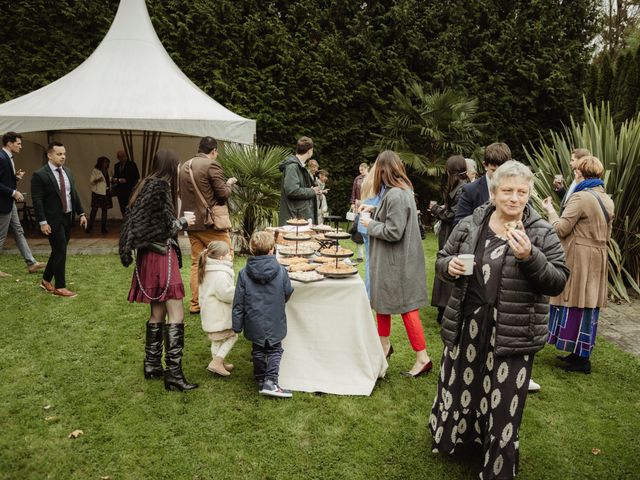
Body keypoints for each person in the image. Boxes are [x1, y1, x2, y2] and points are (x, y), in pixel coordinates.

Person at [429, 160, 569, 480]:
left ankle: (497, 468)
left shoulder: (539, 231)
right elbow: (441, 259)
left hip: (513, 331)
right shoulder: (471, 224)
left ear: (530, 193)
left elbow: (558, 280)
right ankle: (462, 441)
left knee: (504, 401)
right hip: (470, 325)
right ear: (493, 192)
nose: (515, 198)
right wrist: (449, 266)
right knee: (465, 386)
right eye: (507, 191)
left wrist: (529, 257)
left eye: (522, 192)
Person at [119, 149, 197, 392]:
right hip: (162, 255)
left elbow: (141, 224)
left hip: (149, 257)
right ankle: (173, 375)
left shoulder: (144, 184)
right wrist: (184, 221)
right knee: (177, 313)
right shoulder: (161, 187)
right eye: (177, 164)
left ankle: (152, 364)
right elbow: (164, 228)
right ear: (169, 165)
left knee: (157, 311)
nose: (178, 168)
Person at [359, 150, 431, 377]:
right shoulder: (398, 191)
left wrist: (370, 224)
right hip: (394, 264)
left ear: (382, 170)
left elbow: (394, 231)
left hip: (397, 266)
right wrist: (374, 209)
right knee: (381, 304)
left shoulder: (396, 195)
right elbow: (392, 214)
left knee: (408, 310)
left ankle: (423, 358)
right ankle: (384, 347)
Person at [542, 156, 613, 374]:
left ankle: (581, 360)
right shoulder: (606, 198)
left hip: (579, 255)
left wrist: (550, 211)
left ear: (580, 173)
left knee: (574, 299)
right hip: (599, 255)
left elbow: (561, 228)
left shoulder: (581, 197)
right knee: (586, 303)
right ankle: (578, 353)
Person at [232, 231, 294, 397]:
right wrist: (281, 302)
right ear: (272, 249)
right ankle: (271, 381)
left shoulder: (244, 273)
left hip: (253, 320)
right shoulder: (281, 271)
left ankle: (260, 378)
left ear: (252, 250)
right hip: (275, 318)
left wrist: (237, 325)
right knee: (275, 349)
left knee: (258, 349)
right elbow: (288, 291)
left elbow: (238, 301)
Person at [179, 136, 237, 315]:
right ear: (213, 151)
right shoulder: (211, 165)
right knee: (226, 256)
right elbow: (222, 195)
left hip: (191, 222)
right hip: (211, 224)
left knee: (197, 263)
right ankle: (224, 297)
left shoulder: (185, 166)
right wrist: (229, 184)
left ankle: (196, 304)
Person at [31, 141, 87, 297]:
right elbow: (37, 201)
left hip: (67, 218)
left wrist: (81, 213)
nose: (63, 157)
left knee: (58, 250)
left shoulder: (68, 172)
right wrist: (42, 222)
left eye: (64, 154)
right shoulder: (40, 175)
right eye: (59, 154)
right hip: (52, 220)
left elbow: (73, 194)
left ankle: (45, 280)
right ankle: (60, 287)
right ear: (49, 155)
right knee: (61, 250)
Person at [430, 155, 469, 324]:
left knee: (450, 267)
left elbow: (454, 215)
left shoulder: (463, 189)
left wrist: (436, 209)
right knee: (445, 265)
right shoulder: (459, 187)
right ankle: (442, 307)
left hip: (454, 234)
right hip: (449, 233)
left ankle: (446, 308)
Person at [0, 131, 45, 277]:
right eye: (18, 143)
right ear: (9, 143)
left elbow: (5, 180)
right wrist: (14, 192)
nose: (21, 146)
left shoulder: (7, 157)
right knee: (1, 236)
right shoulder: (1, 158)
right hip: (3, 203)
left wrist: (16, 178)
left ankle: (31, 263)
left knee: (19, 231)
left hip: (8, 202)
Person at [198, 240, 237, 377]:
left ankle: (218, 363)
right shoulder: (220, 273)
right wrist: (238, 292)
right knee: (233, 336)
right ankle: (217, 361)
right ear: (221, 258)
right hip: (219, 314)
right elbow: (225, 293)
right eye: (228, 254)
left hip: (210, 313)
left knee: (217, 340)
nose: (231, 255)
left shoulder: (208, 268)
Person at [453, 142, 511, 226]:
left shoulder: (517, 189)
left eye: (502, 171)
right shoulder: (470, 190)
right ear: (485, 165)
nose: (498, 175)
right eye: (494, 170)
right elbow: (459, 224)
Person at [278, 136, 320, 225]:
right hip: (294, 220)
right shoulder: (292, 167)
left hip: (299, 218)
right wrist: (312, 191)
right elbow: (292, 191)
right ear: (309, 151)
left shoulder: (299, 166)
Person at [357, 161, 381, 296]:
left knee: (368, 260)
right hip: (370, 223)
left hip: (363, 223)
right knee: (373, 261)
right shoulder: (379, 183)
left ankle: (369, 291)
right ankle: (370, 292)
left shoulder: (366, 180)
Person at [552, 147, 591, 213]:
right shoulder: (576, 177)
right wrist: (561, 189)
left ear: (581, 161)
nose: (570, 163)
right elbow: (570, 200)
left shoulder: (586, 181)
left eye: (572, 160)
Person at [86, 156, 113, 234]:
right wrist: (98, 179)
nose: (106, 164)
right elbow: (91, 181)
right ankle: (89, 227)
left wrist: (113, 179)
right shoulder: (95, 171)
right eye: (105, 162)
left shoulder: (107, 170)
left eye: (107, 162)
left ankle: (103, 228)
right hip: (98, 193)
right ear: (101, 163)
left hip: (106, 192)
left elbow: (107, 180)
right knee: (94, 210)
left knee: (105, 210)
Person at [112, 150, 140, 218]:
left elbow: (137, 176)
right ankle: (125, 219)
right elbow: (116, 176)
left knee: (130, 206)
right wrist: (114, 179)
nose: (121, 158)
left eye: (122, 156)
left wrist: (126, 180)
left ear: (126, 156)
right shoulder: (116, 165)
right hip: (120, 190)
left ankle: (130, 220)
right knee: (122, 206)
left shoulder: (132, 164)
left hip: (129, 189)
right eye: (119, 157)